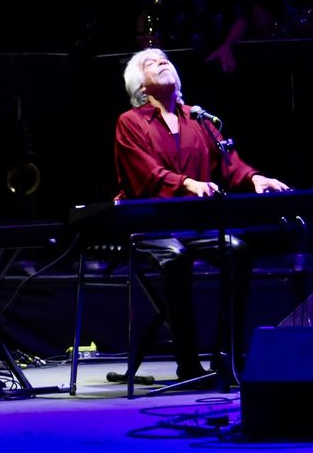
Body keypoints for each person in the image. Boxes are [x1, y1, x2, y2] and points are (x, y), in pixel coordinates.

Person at [113, 48, 289, 382]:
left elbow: (230, 163)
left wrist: (255, 178)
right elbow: (145, 175)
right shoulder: (130, 123)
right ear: (140, 86)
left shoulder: (199, 120)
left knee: (237, 250)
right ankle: (188, 363)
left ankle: (227, 358)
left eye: (165, 59)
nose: (163, 62)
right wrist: (187, 184)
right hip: (149, 226)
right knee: (175, 257)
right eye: (151, 62)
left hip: (194, 225)